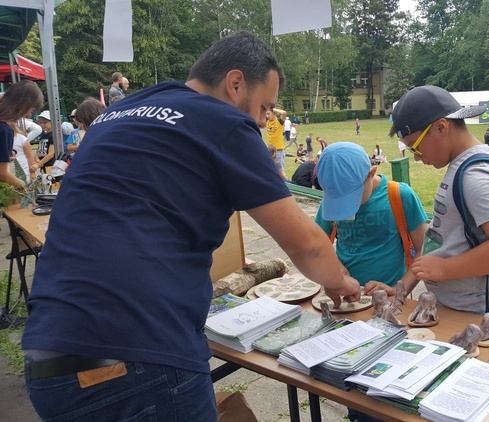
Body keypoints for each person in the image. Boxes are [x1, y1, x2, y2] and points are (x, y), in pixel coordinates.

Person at [21, 31, 361, 422]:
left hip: (49, 355)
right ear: (235, 84)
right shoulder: (224, 121)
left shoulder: (118, 114)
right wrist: (340, 284)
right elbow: (307, 246)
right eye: (265, 107)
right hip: (137, 358)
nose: (265, 119)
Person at [389, 85, 489, 321]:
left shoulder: (476, 176)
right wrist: (401, 289)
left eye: (415, 146)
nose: (415, 156)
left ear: (441, 127)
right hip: (455, 308)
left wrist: (444, 269)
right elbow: (438, 241)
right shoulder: (459, 167)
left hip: (476, 315)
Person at [315, 142, 428, 296]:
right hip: (346, 298)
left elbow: (425, 248)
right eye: (338, 199)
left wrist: (398, 291)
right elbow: (317, 244)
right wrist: (335, 267)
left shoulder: (399, 196)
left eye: (351, 196)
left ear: (372, 173)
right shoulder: (332, 203)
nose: (345, 205)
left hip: (390, 299)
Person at [2, 81, 44, 187]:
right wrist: (25, 186)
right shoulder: (4, 130)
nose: (28, 115)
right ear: (22, 106)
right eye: (30, 109)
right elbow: (2, 174)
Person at [265, 107, 287, 180]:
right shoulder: (267, 121)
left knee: (281, 171)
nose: (267, 116)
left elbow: (284, 113)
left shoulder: (279, 122)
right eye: (266, 114)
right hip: (270, 150)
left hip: (278, 150)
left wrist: (275, 110)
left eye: (268, 114)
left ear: (273, 113)